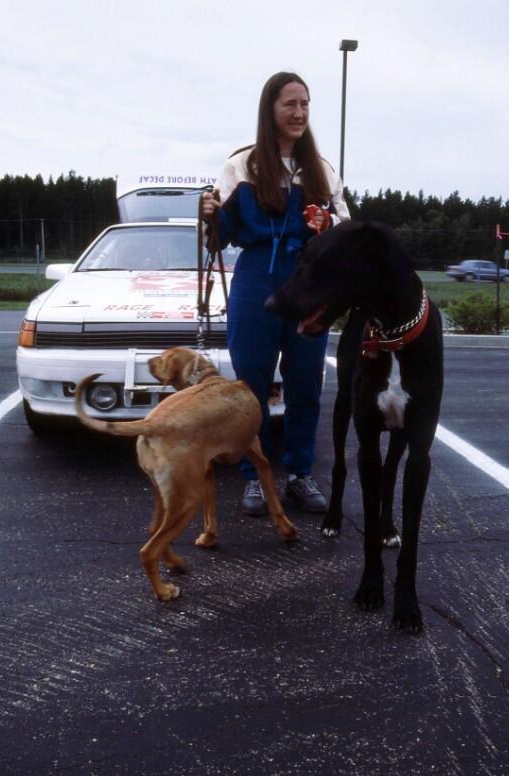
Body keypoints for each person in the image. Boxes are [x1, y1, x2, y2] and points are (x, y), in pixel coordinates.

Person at [201, 71, 350, 516]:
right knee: (252, 387)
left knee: (305, 383)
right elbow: (220, 237)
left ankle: (300, 475)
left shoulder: (323, 171)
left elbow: (346, 231)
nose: (299, 112)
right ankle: (254, 477)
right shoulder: (240, 166)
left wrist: (328, 226)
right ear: (270, 110)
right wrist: (209, 214)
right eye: (290, 104)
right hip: (254, 283)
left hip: (308, 283)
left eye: (305, 104)